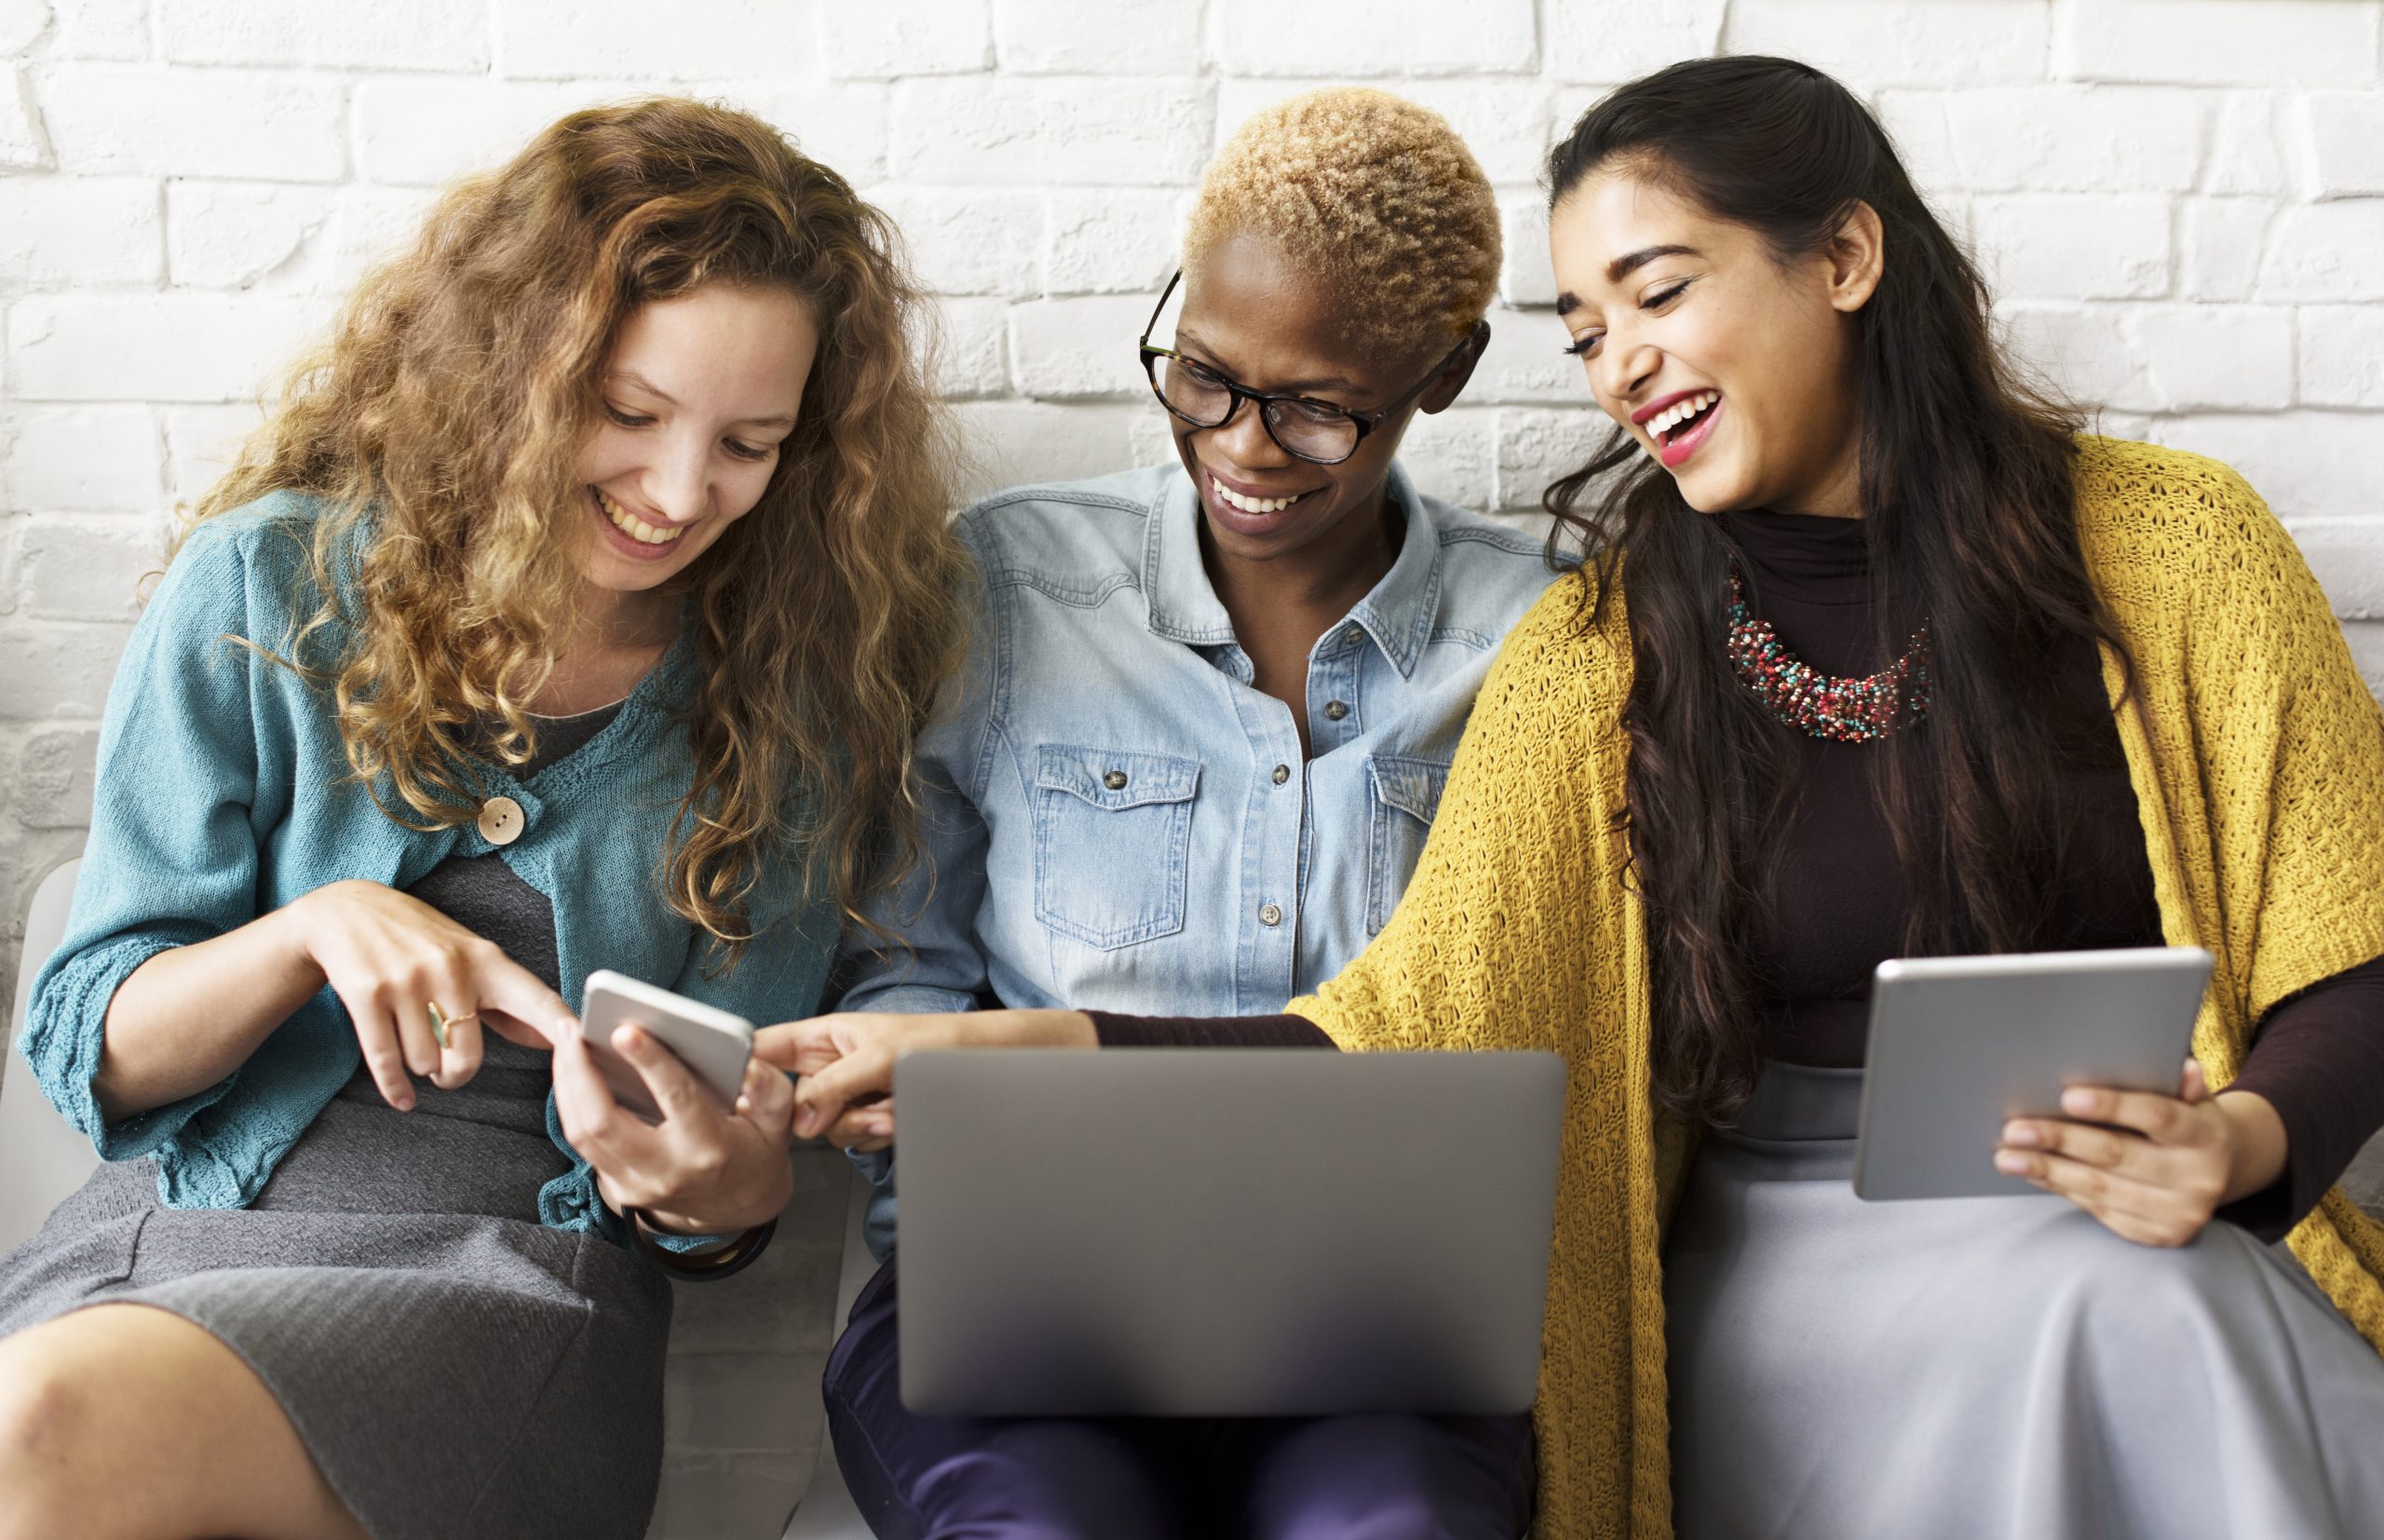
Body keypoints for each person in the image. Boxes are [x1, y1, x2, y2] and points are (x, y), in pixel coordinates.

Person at [775, 58, 2384, 1540]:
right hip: (1787, 1248)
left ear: (1844, 259)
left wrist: (2241, 1140)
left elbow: (2352, 937)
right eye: (1591, 331)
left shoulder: (2178, 546)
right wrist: (1010, 1046)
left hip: (2120, 1205)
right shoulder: (1598, 652)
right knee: (2122, 1311)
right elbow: (1402, 1021)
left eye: (1659, 294)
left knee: (2151, 1298)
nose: (1622, 366)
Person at [0, 98, 967, 1540]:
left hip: (505, 1293)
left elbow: (726, 1190)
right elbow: (97, 1045)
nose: (682, 491)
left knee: (41, 1429)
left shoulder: (786, 698)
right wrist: (313, 930)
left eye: (750, 443)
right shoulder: (267, 588)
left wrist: (718, 1178)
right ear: (512, 369)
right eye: (631, 415)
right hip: (148, 1251)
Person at [815, 88, 1558, 1540]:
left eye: (1318, 406)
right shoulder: (1008, 589)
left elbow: (1532, 1019)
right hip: (1020, 1328)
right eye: (1204, 375)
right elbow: (905, 962)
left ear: (1446, 373)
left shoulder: (1534, 641)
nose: (1244, 445)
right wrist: (888, 1101)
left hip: (1386, 1343)